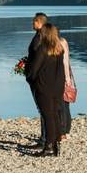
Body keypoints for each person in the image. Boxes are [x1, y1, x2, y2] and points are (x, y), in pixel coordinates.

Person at [26, 23, 66, 157]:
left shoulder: (42, 49)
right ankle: (56, 144)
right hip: (58, 87)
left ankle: (48, 146)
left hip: (44, 87)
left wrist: (30, 79)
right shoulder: (59, 49)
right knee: (55, 114)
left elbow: (34, 69)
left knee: (47, 115)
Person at [26, 12, 47, 149]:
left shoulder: (40, 38)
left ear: (40, 22)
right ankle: (44, 138)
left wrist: (30, 75)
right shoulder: (39, 36)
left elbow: (38, 59)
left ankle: (45, 139)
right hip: (37, 77)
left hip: (38, 78)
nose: (32, 23)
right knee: (42, 109)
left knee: (43, 109)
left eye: (34, 21)